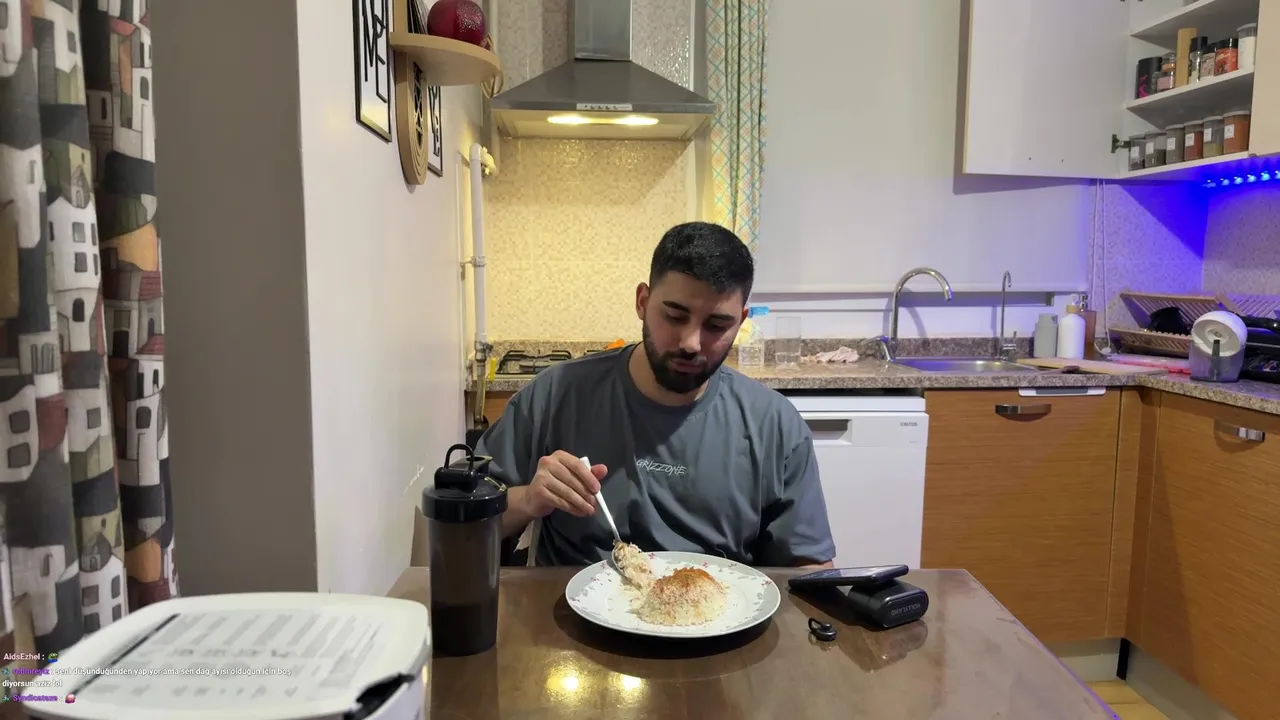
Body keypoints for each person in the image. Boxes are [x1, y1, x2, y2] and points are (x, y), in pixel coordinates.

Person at [475, 222, 836, 568]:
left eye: (716, 325)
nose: (691, 343)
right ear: (643, 302)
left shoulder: (773, 424)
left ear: (740, 322)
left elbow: (808, 565)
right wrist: (528, 499)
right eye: (675, 316)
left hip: (716, 605)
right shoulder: (556, 395)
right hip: (570, 605)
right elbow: (465, 526)